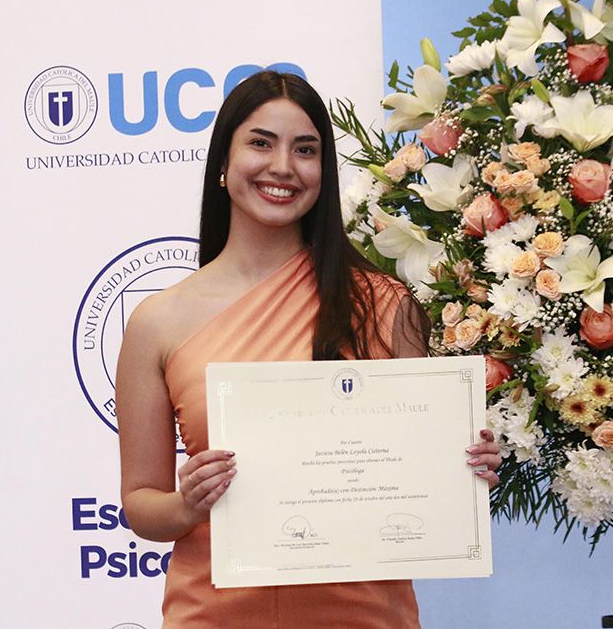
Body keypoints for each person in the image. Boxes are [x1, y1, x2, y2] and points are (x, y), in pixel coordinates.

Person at [115, 70, 502, 628]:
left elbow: (422, 474)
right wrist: (186, 503)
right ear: (223, 161)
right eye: (260, 143)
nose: (283, 166)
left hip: (366, 616)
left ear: (324, 170)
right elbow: (140, 505)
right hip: (215, 614)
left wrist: (465, 467)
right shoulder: (158, 322)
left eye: (305, 150)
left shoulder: (383, 302)